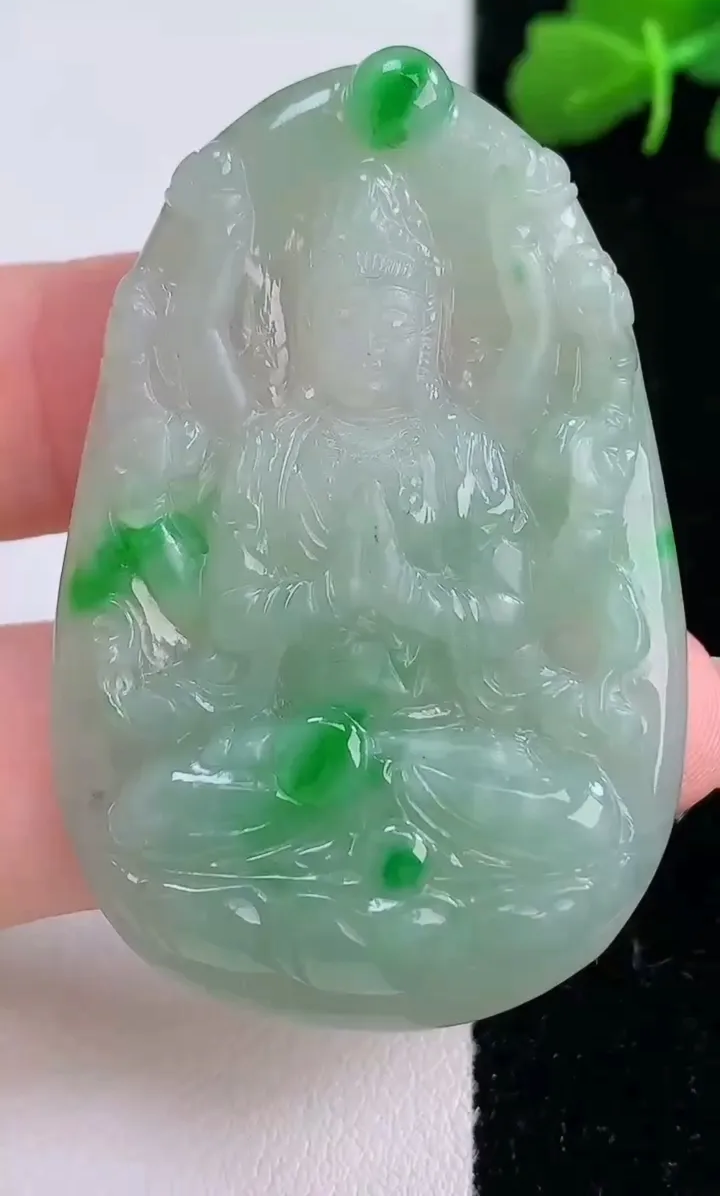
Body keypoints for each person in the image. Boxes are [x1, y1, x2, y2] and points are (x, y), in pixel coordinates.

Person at [1, 255, 719, 932]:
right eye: (348, 319)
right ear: (311, 328)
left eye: (394, 321)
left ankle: (338, 844)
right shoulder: (273, 452)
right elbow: (232, 614)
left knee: (593, 818)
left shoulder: (461, 451)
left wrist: (407, 594)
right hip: (294, 738)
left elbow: (505, 614)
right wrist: (324, 596)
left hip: (438, 743)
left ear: (427, 331)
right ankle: (384, 851)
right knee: (141, 816)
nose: (372, 343)